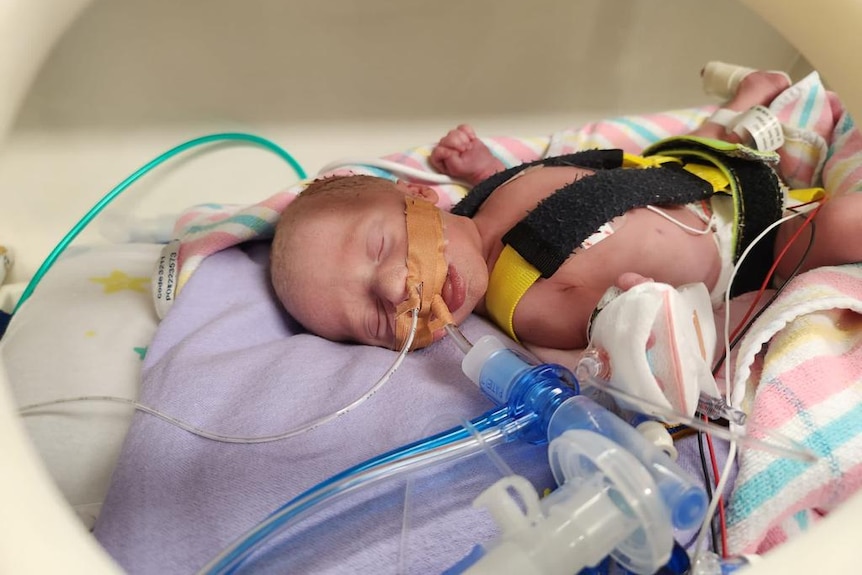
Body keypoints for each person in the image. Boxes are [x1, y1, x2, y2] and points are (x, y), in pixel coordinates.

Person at [269, 63, 862, 361]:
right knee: (840, 226)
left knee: (671, 149)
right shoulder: (530, 315)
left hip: (686, 172)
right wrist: (699, 324)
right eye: (376, 322)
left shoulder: (484, 200)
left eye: (380, 248)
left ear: (420, 197)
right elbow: (633, 357)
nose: (399, 288)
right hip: (766, 243)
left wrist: (477, 166)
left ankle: (744, 101)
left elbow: (573, 169)